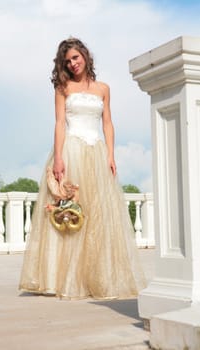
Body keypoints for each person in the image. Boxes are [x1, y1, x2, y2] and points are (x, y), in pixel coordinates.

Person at [19, 37, 147, 299]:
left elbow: (108, 123)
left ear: (85, 56)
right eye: (68, 61)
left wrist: (111, 155)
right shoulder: (63, 87)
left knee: (98, 215)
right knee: (69, 212)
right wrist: (58, 158)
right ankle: (60, 279)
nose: (73, 64)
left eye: (76, 58)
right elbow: (59, 123)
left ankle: (96, 278)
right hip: (71, 150)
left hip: (96, 152)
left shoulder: (103, 88)